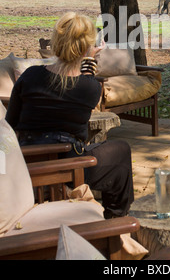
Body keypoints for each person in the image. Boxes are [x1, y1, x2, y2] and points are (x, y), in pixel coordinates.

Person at [6, 11, 134, 219]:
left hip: (28, 166)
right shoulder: (90, 88)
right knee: (121, 150)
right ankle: (116, 219)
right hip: (69, 168)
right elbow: (82, 84)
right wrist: (90, 59)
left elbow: (9, 125)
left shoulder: (30, 76)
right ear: (86, 48)